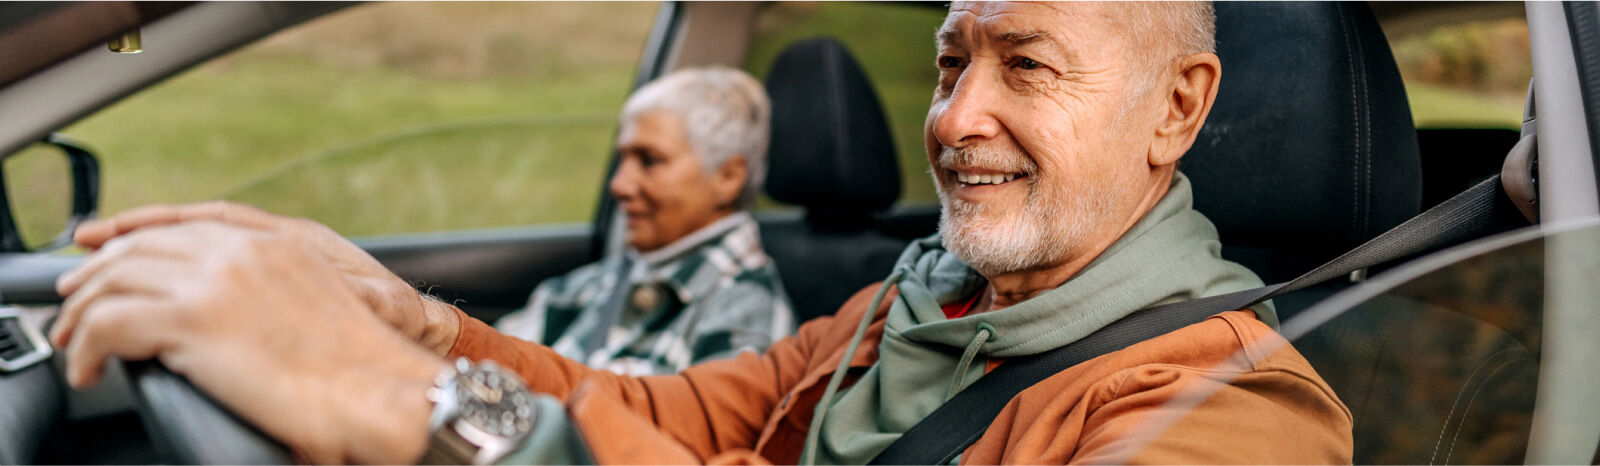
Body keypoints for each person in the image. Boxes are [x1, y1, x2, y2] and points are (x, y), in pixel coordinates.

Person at [49, 2, 1353, 464]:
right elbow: (680, 422)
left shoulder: (1241, 410)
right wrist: (410, 320)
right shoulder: (927, 297)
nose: (957, 117)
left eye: (1028, 65)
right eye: (953, 60)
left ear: (1177, 107)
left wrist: (429, 409)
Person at [493, 67, 795, 376]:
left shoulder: (745, 320)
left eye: (649, 161)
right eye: (621, 160)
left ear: (728, 177)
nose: (619, 185)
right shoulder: (588, 287)